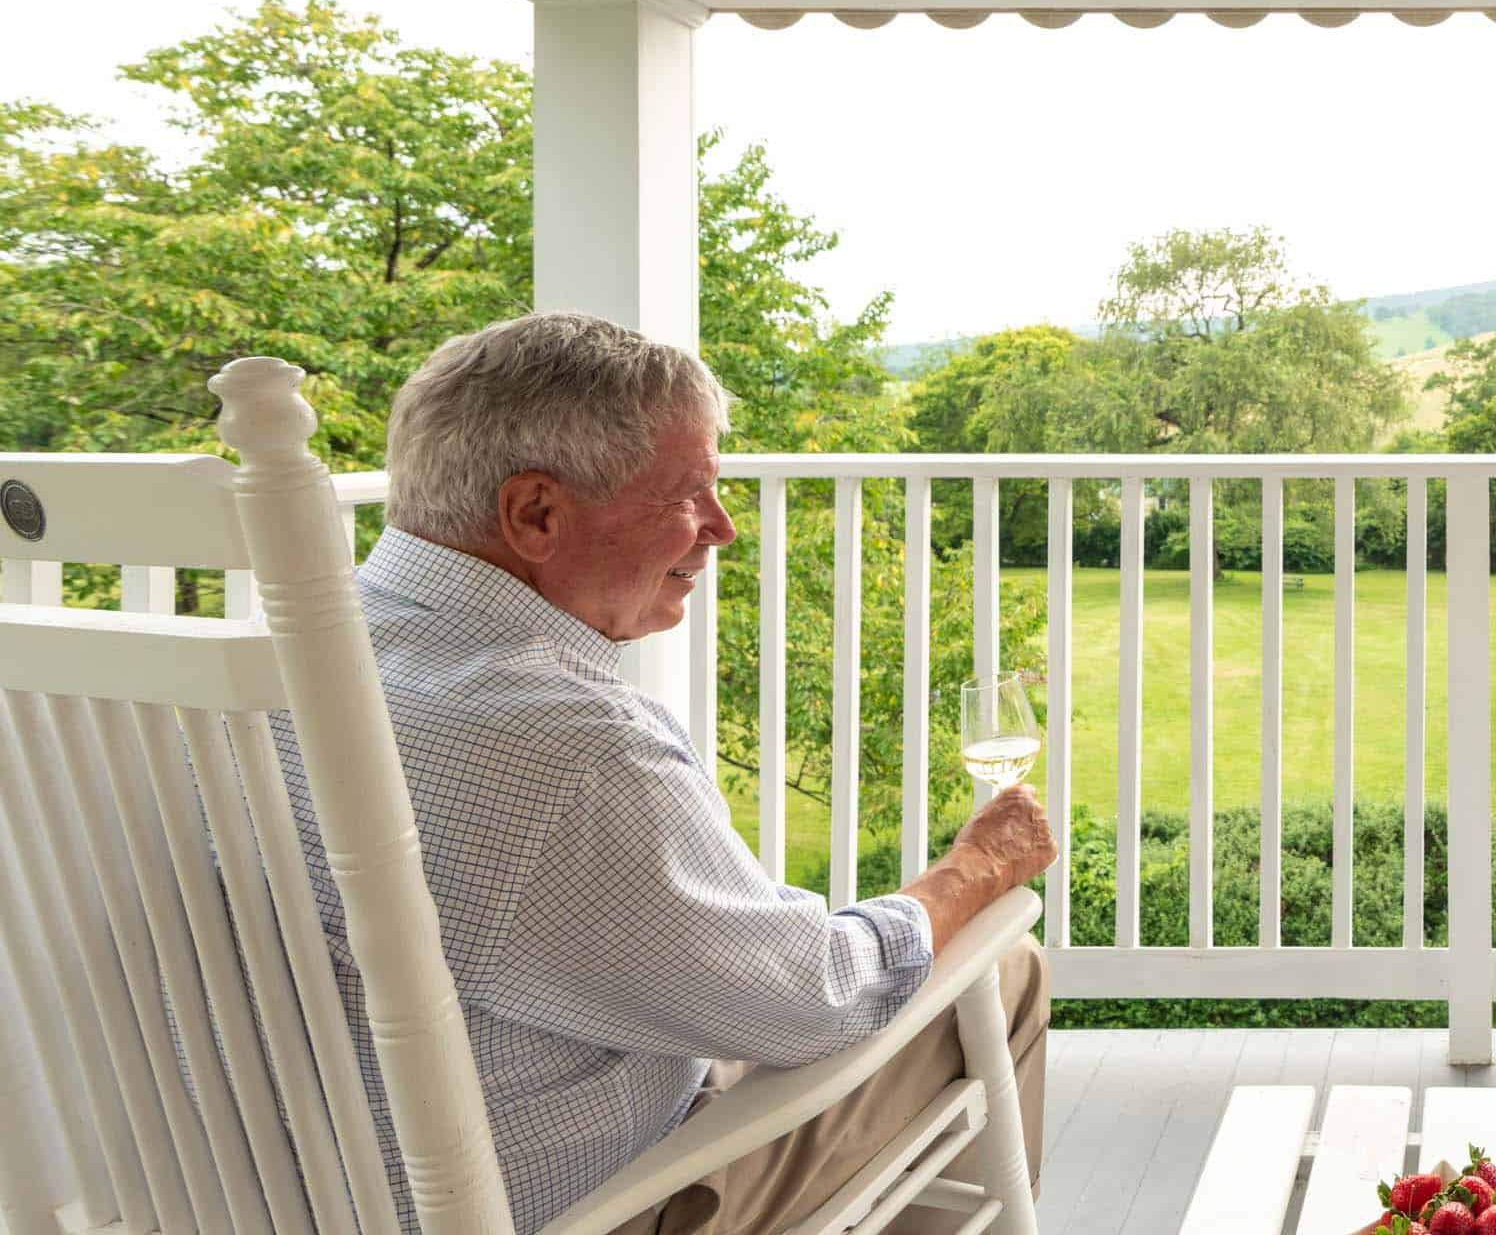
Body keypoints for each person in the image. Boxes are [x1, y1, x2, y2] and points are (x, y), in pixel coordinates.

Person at [272, 311, 1058, 1233]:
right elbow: (813, 1001)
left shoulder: (261, 666)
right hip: (558, 1205)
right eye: (690, 494)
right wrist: (971, 873)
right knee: (999, 966)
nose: (721, 529)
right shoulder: (572, 744)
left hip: (259, 1189)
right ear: (536, 512)